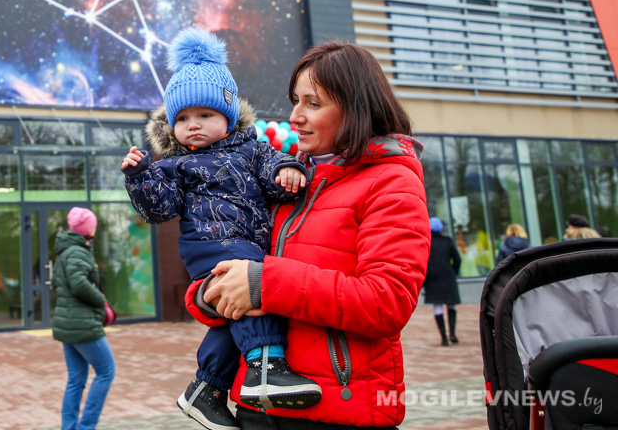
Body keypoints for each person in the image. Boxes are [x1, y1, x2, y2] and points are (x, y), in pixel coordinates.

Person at [188, 40, 430, 429]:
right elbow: (235, 265)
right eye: (295, 101)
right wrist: (208, 293)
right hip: (255, 406)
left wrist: (262, 283)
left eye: (313, 104)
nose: (295, 116)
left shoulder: (391, 182)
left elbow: (387, 303)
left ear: (356, 108)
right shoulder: (285, 181)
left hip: (335, 412)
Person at [122, 28, 319, 430]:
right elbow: (159, 210)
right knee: (251, 288)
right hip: (210, 247)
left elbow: (272, 167)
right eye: (183, 118)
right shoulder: (173, 166)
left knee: (234, 313)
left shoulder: (252, 148)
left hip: (249, 242)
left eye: (205, 115)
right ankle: (266, 367)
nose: (193, 125)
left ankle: (206, 389)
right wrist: (141, 176)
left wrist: (287, 170)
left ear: (228, 118)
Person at [52, 207, 116, 430]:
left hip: (69, 324)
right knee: (107, 371)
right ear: (88, 229)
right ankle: (85, 427)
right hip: (82, 324)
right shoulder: (77, 252)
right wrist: (101, 300)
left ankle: (69, 427)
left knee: (75, 380)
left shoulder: (67, 250)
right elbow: (79, 284)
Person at [423, 217, 461, 346]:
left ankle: (444, 337)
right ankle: (453, 334)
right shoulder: (447, 241)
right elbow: (457, 259)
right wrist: (454, 272)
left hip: (432, 277)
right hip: (447, 275)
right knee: (451, 304)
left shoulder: (426, 243)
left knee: (437, 305)